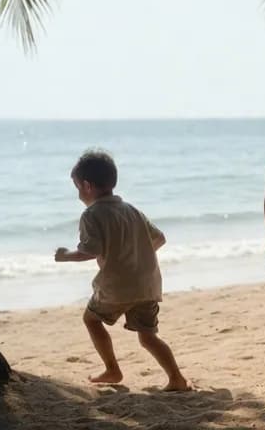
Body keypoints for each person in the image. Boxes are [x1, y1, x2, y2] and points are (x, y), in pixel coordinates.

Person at [54, 149, 189, 391]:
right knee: (148, 337)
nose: (77, 194)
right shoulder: (131, 210)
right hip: (147, 284)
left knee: (92, 319)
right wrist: (135, 257)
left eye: (76, 187)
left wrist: (64, 256)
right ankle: (176, 378)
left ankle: (112, 369)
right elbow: (159, 239)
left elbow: (89, 251)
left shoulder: (91, 215)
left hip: (115, 287)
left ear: (86, 186)